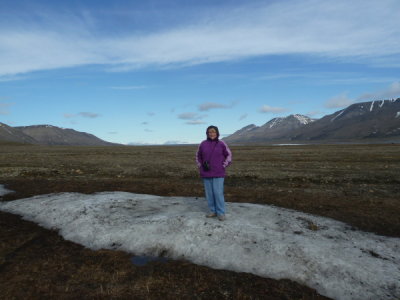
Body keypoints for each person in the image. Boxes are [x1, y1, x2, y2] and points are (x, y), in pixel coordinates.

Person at [196, 125, 232, 221]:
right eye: (210, 132)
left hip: (218, 173)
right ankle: (213, 211)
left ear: (217, 133)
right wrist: (200, 166)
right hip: (206, 173)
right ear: (207, 133)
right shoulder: (202, 144)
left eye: (213, 132)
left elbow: (229, 155)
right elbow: (198, 156)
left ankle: (221, 213)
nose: (212, 134)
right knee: (209, 194)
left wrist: (223, 165)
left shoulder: (221, 144)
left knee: (218, 193)